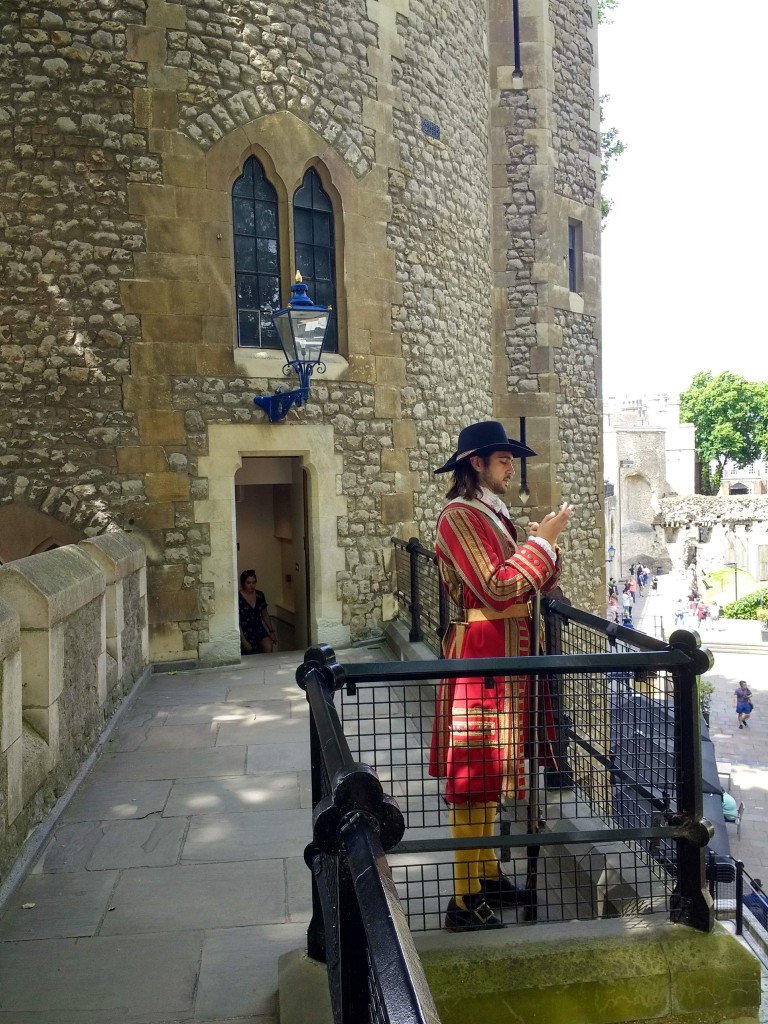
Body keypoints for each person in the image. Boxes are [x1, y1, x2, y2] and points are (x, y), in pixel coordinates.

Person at [428, 420, 574, 932]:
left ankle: (485, 874)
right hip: (482, 654)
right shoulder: (458, 517)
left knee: (490, 777)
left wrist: (541, 543)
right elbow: (496, 588)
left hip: (505, 654)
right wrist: (543, 544)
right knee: (473, 777)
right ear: (477, 464)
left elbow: (531, 583)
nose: (512, 466)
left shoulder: (493, 515)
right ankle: (463, 901)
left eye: (512, 459)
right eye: (503, 459)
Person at [238, 569, 277, 654]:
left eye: (253, 582)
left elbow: (265, 615)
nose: (251, 586)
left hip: (258, 629)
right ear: (243, 583)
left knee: (268, 646)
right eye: (248, 583)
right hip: (245, 632)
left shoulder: (260, 595)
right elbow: (237, 622)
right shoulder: (238, 598)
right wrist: (243, 640)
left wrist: (272, 631)